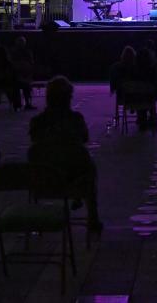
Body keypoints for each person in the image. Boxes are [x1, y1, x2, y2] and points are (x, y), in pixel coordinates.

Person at [29, 76, 103, 233]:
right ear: (69, 98)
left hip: (44, 180)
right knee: (88, 166)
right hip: (73, 176)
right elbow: (84, 138)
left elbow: (34, 143)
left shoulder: (37, 122)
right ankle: (92, 216)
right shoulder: (76, 120)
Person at [8, 36, 36, 110]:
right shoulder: (13, 52)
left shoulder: (15, 52)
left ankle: (21, 104)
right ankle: (23, 103)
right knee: (20, 85)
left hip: (24, 75)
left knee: (24, 85)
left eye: (22, 42)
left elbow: (31, 63)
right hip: (16, 76)